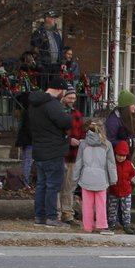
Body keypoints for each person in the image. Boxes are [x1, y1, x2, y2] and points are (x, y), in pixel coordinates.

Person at [29, 75, 73, 228]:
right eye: (64, 92)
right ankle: (51, 217)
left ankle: (39, 216)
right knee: (53, 185)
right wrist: (68, 115)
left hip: (39, 149)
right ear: (60, 90)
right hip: (53, 150)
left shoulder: (35, 103)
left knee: (42, 185)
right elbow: (65, 122)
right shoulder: (52, 104)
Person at [72, 120, 117, 234]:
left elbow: (79, 162)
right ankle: (102, 225)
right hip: (101, 178)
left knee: (87, 204)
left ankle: (87, 226)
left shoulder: (83, 144)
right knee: (101, 203)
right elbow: (111, 164)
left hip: (86, 177)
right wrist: (113, 178)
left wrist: (75, 177)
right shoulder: (107, 144)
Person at [59, 85, 86, 224]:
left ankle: (67, 213)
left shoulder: (77, 114)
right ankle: (57, 212)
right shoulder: (57, 112)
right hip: (60, 154)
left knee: (69, 186)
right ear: (63, 97)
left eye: (74, 98)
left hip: (74, 156)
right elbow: (56, 134)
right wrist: (69, 141)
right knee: (58, 185)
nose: (72, 100)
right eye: (69, 97)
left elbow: (82, 131)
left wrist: (81, 141)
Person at [108, 140, 135, 234]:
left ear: (126, 155)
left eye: (123, 155)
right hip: (113, 191)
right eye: (119, 155)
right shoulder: (112, 164)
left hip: (126, 192)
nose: (121, 157)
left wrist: (130, 182)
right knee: (112, 209)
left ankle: (126, 225)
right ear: (115, 154)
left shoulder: (129, 164)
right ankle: (112, 224)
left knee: (126, 210)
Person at [30, 10, 63, 85]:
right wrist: (39, 64)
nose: (54, 20)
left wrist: (62, 62)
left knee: (54, 87)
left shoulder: (56, 33)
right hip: (44, 65)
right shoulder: (38, 33)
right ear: (47, 19)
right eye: (52, 18)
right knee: (44, 87)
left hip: (55, 66)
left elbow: (61, 48)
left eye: (54, 19)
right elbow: (35, 49)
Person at [14, 91, 34, 188]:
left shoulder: (25, 111)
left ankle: (23, 180)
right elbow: (30, 128)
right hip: (29, 140)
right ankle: (25, 181)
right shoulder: (30, 112)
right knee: (27, 161)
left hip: (25, 139)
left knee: (26, 160)